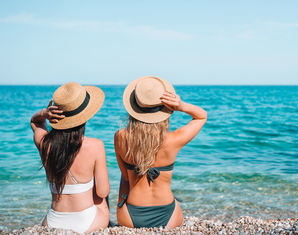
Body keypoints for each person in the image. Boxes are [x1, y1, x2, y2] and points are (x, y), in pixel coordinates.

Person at [114, 76, 207, 228]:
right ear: (165, 110)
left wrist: (120, 203)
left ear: (134, 109)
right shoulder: (173, 140)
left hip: (129, 216)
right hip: (168, 216)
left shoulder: (120, 137)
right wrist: (181, 105)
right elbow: (202, 116)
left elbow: (125, 176)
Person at [30, 82, 110, 234]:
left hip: (52, 222)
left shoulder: (44, 143)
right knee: (102, 200)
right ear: (84, 117)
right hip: (86, 223)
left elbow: (35, 122)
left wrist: (44, 114)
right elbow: (103, 191)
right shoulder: (96, 145)